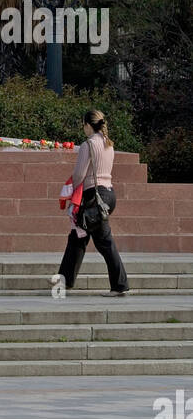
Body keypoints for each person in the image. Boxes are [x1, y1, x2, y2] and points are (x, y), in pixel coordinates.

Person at [58, 109, 129, 295]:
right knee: (82, 238)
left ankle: (66, 282)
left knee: (85, 237)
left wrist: (70, 187)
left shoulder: (88, 145)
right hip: (108, 196)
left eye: (83, 125)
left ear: (88, 125)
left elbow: (80, 174)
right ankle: (67, 281)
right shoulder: (108, 144)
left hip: (93, 197)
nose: (83, 129)